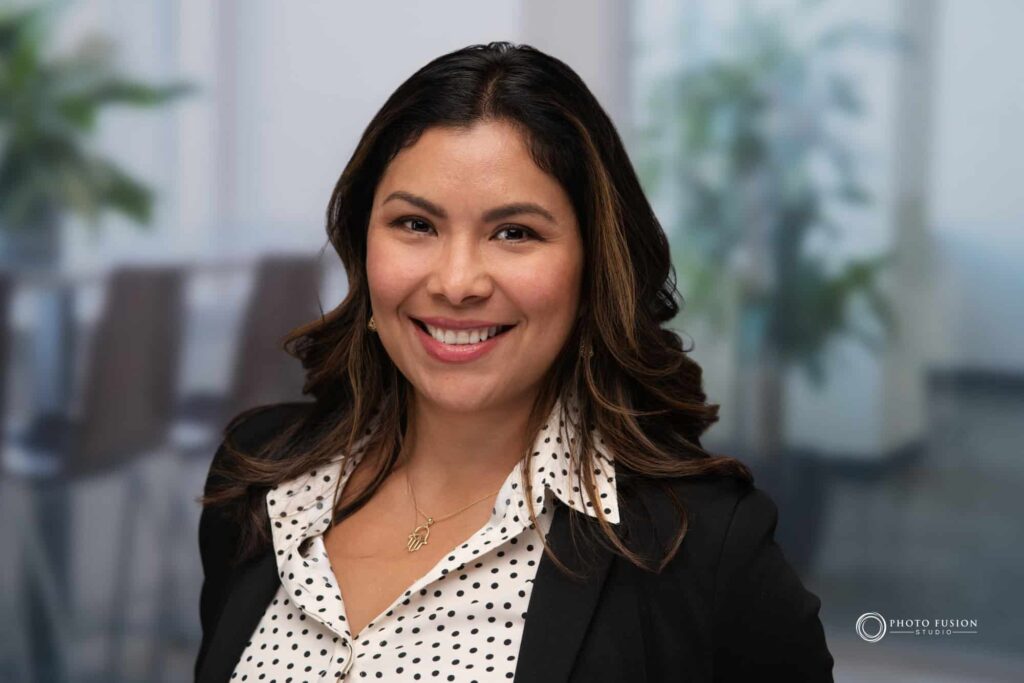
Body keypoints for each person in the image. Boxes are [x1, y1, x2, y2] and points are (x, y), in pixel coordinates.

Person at [194, 41, 834, 683]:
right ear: (363, 250)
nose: (457, 281)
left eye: (515, 233)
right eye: (416, 224)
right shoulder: (261, 481)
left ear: (593, 270)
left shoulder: (703, 547)